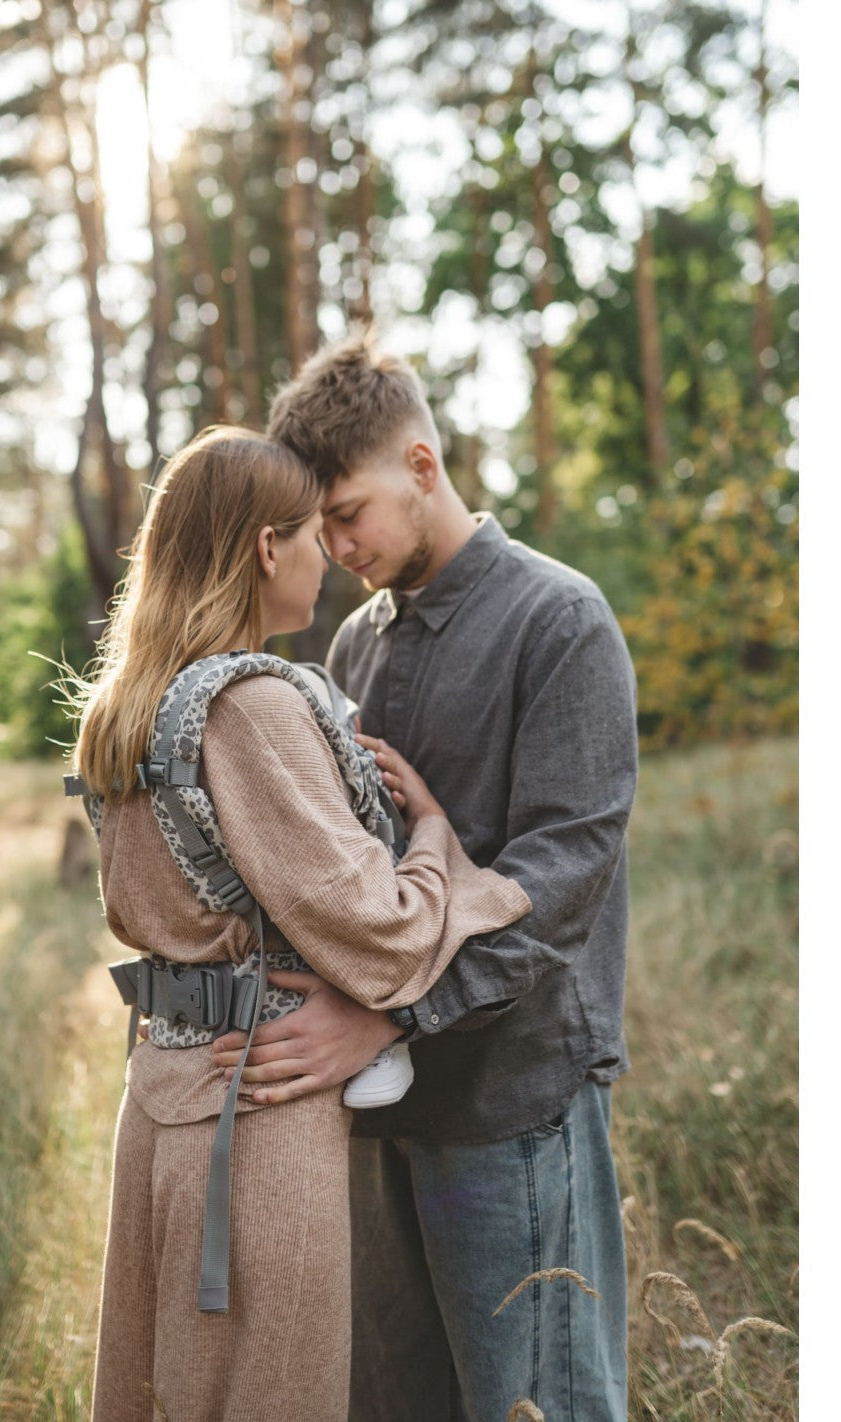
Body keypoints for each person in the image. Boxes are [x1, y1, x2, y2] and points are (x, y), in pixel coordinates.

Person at [212, 334, 638, 1421]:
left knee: (532, 1402)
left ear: (419, 465)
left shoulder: (559, 621)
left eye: (347, 510)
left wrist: (392, 1022)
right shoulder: (351, 644)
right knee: (395, 1400)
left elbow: (564, 872)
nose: (336, 542)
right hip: (370, 1115)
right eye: (319, 526)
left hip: (509, 1098)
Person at [72, 425, 531, 1422]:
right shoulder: (253, 706)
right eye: (308, 533)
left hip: (159, 1105)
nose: (328, 552)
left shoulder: (127, 705)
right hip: (256, 1122)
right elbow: (383, 932)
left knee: (169, 1396)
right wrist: (434, 839)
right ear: (261, 548)